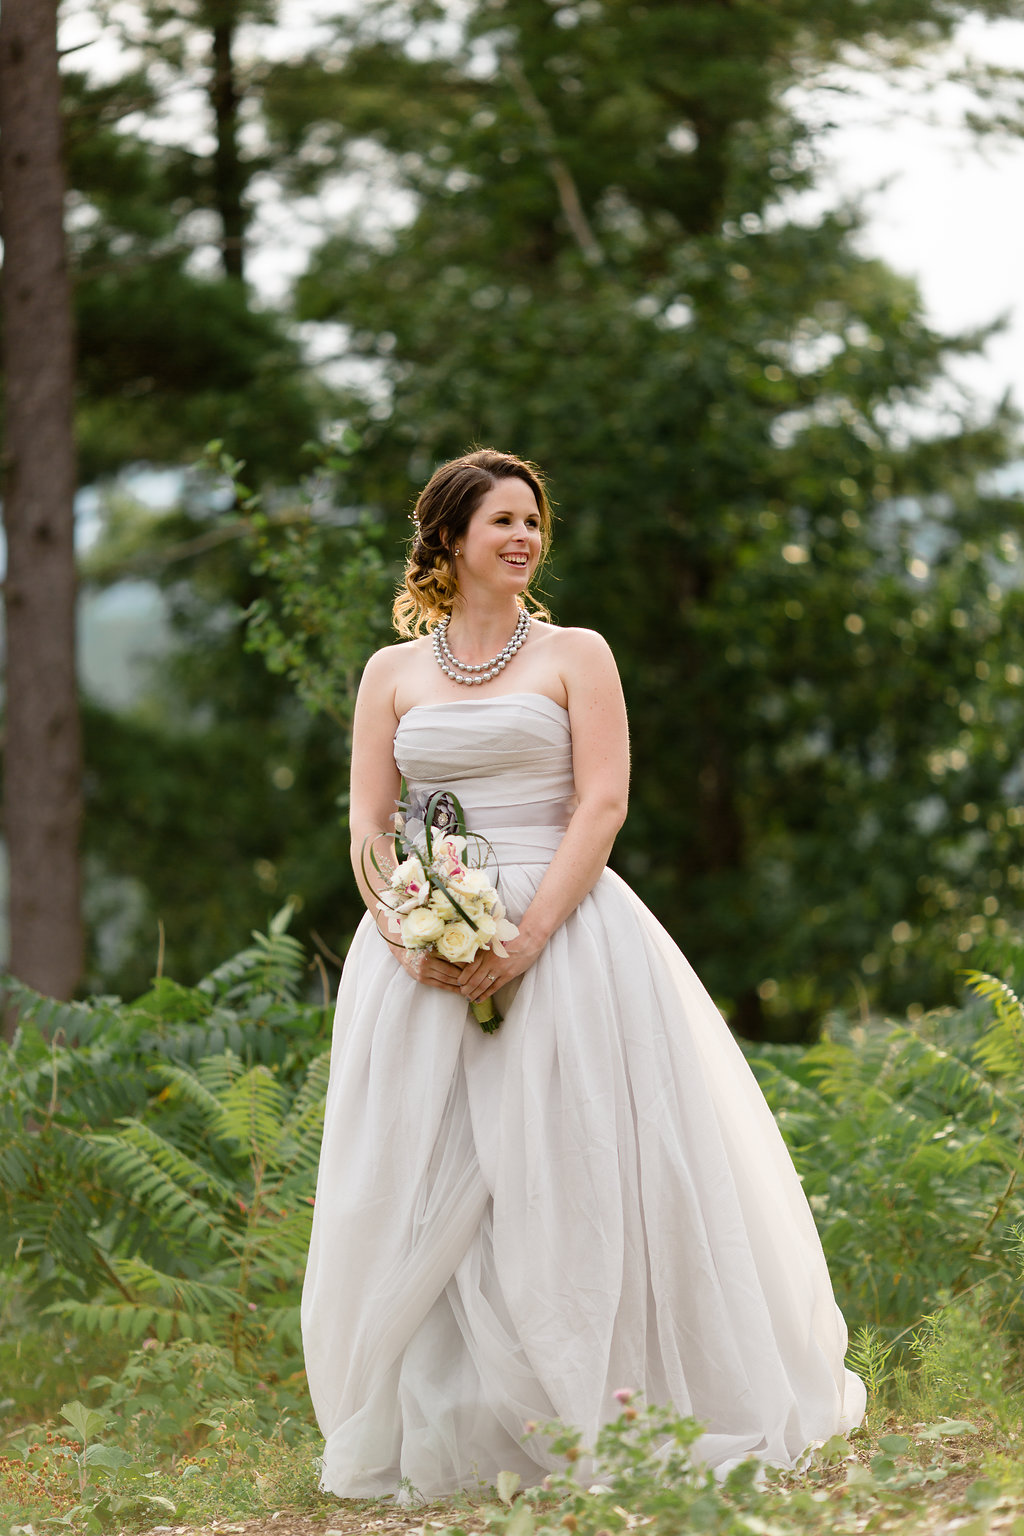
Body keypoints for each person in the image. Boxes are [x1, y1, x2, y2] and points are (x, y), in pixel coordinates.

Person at [301, 448, 865, 1498]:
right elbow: (369, 825)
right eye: (501, 520)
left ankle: (607, 1409)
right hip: (422, 952)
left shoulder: (577, 655)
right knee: (429, 1181)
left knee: (571, 1165)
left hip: (567, 937)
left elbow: (601, 805)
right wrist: (404, 929)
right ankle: (456, 1428)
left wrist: (521, 939)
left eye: (533, 520)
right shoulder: (391, 674)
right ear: (449, 539)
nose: (523, 536)